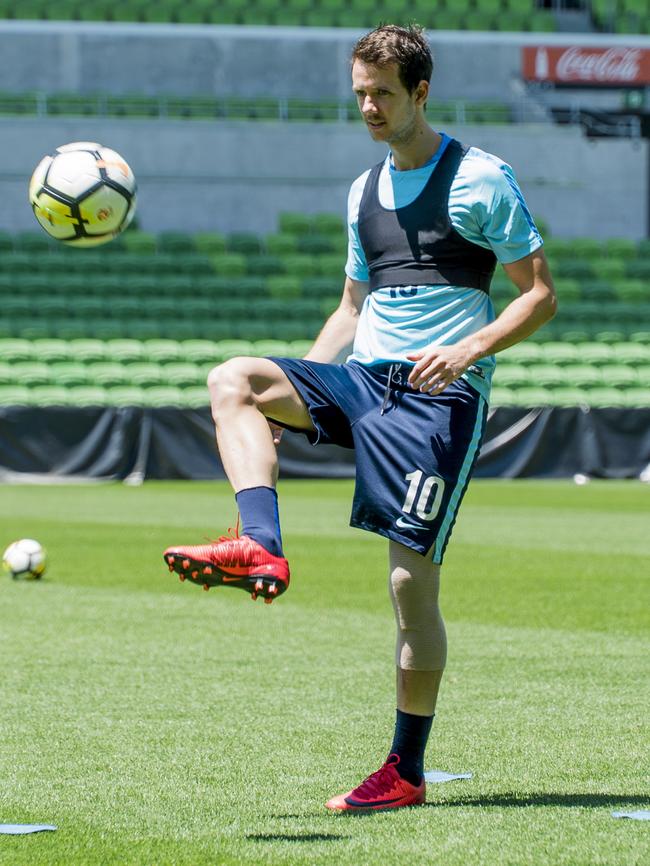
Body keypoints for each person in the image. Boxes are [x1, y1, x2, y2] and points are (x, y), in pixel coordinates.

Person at [164, 24, 557, 813]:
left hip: (440, 400)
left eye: (383, 94)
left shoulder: (482, 179)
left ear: (420, 92)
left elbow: (539, 294)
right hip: (363, 382)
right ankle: (260, 544)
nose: (369, 108)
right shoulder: (362, 190)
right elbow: (352, 307)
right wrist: (297, 399)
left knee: (411, 586)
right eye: (360, 95)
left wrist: (469, 348)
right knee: (234, 381)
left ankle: (405, 770)